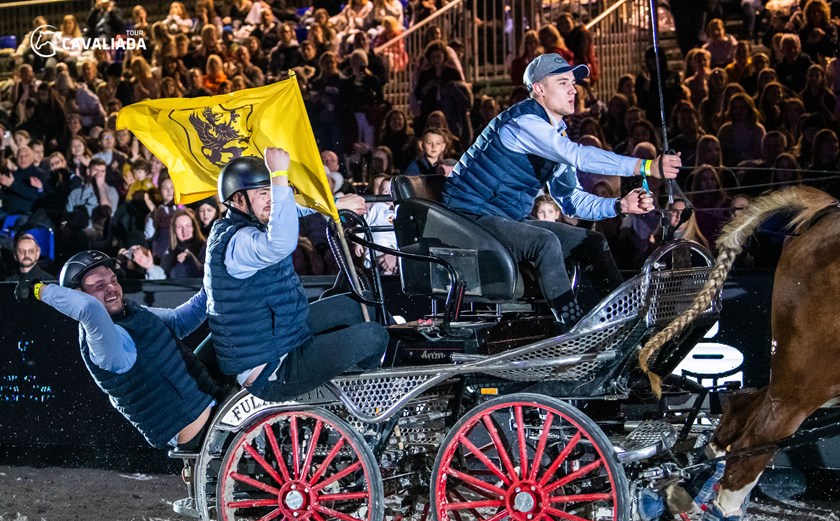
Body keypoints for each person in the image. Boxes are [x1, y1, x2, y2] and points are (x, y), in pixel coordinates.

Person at [442, 53, 681, 330]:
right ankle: (572, 327)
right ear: (539, 89)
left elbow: (571, 201)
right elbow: (578, 156)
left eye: (573, 83)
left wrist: (619, 206)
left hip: (504, 218)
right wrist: (647, 166)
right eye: (562, 82)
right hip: (468, 218)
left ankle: (627, 321)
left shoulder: (555, 136)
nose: (573, 89)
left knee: (591, 242)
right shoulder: (524, 123)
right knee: (545, 242)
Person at [205, 150, 390, 403]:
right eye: (263, 193)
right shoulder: (239, 242)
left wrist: (335, 204)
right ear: (238, 199)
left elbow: (288, 210)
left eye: (272, 191)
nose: (272, 199)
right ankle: (369, 401)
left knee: (364, 303)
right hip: (272, 367)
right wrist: (279, 173)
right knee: (374, 336)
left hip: (285, 333)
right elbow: (281, 242)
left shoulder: (250, 222)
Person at [14, 250, 218, 450]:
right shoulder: (101, 344)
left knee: (224, 337)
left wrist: (217, 282)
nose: (111, 288)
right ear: (77, 295)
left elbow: (179, 321)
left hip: (207, 401)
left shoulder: (132, 312)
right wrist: (38, 290)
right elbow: (90, 309)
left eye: (113, 280)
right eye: (99, 286)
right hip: (197, 427)